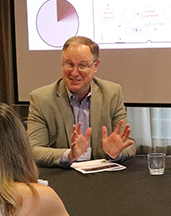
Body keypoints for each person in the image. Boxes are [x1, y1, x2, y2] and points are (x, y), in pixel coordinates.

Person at [27, 36, 135, 167]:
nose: (74, 72)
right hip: (61, 176)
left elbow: (128, 144)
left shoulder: (112, 93)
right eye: (69, 64)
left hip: (101, 177)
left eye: (82, 66)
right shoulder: (41, 99)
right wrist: (69, 155)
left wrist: (114, 154)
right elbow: (33, 150)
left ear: (95, 66)